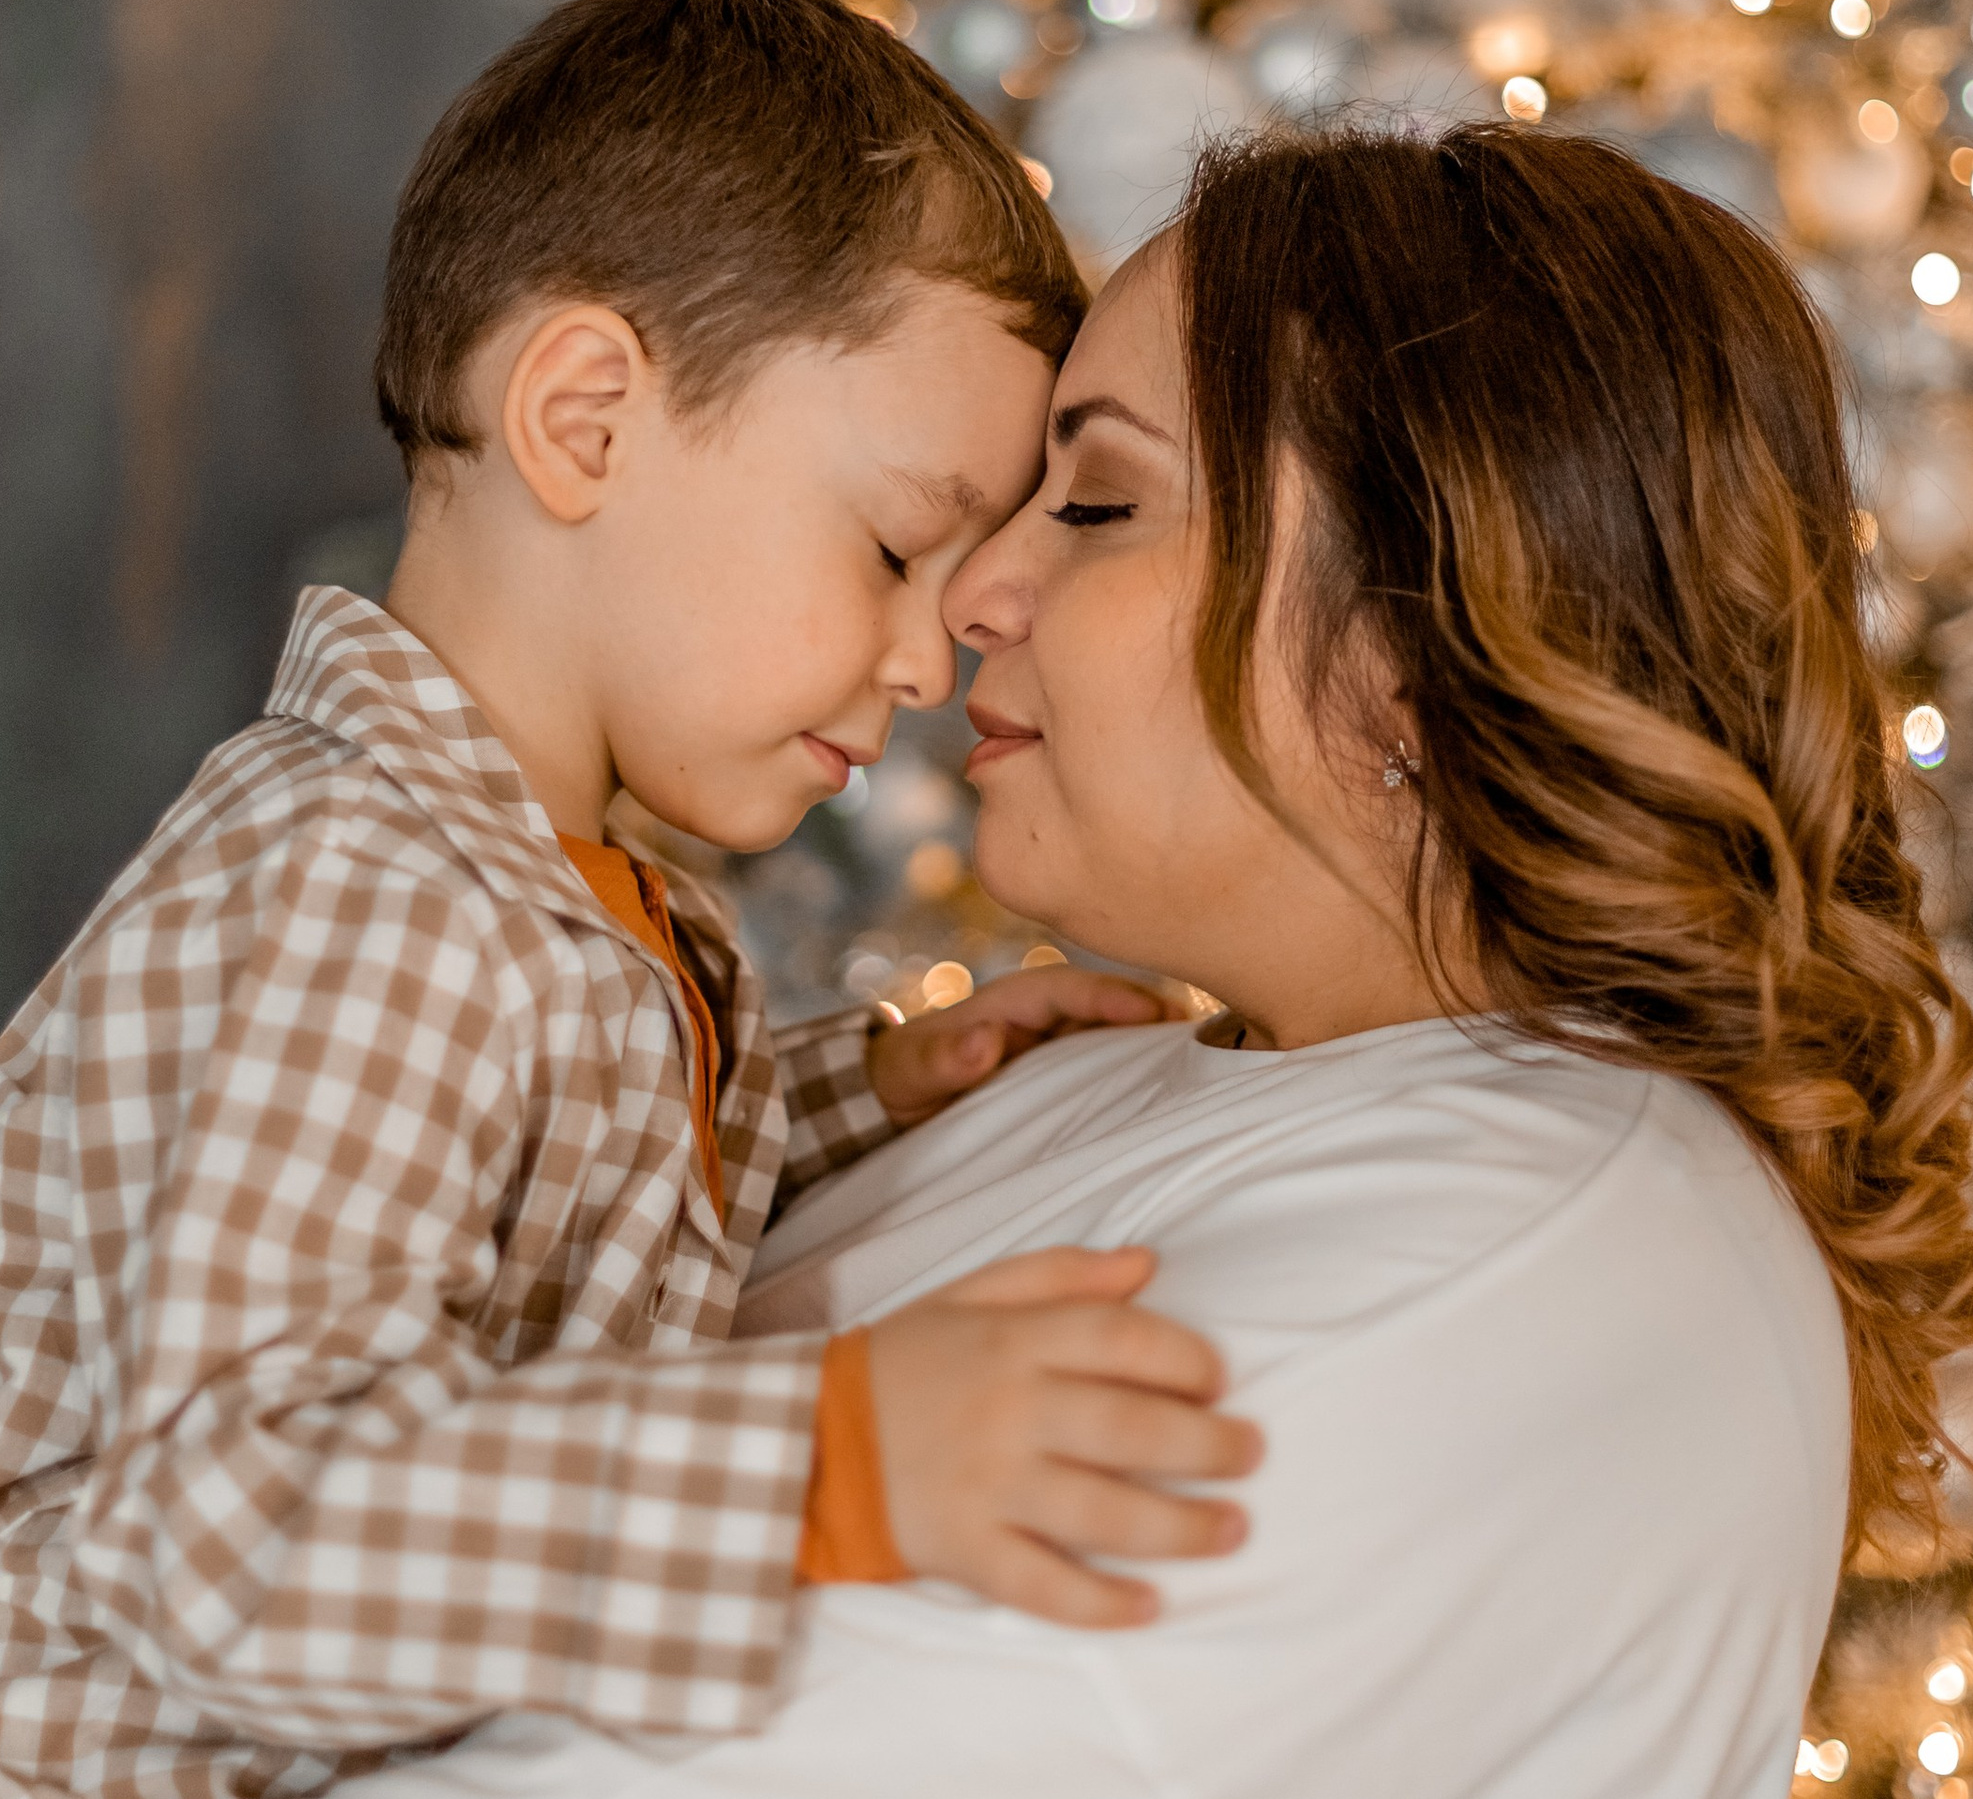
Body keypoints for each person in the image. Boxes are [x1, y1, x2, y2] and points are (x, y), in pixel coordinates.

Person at [341, 122, 1973, 1799]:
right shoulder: (1157, 1078)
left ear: (1425, 637)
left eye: (1103, 500)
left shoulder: (1505, 1262)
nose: (975, 587)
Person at [0, 0, 1266, 1799]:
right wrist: (827, 1462)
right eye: (899, 544)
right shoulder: (365, 899)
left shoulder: (542, 899)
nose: (935, 660)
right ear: (585, 419)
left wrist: (865, 1090)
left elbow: (525, 1188)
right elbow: (232, 1540)